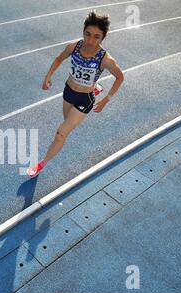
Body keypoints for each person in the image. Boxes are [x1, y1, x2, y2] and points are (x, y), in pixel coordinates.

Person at [27, 11, 124, 177]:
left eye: (96, 37)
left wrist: (107, 99)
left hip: (84, 99)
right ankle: (95, 86)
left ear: (103, 38)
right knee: (66, 123)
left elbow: (120, 77)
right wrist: (48, 77)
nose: (90, 40)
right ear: (83, 31)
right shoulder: (74, 47)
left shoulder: (105, 59)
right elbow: (59, 59)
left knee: (61, 133)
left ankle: (41, 164)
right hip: (68, 91)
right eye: (87, 34)